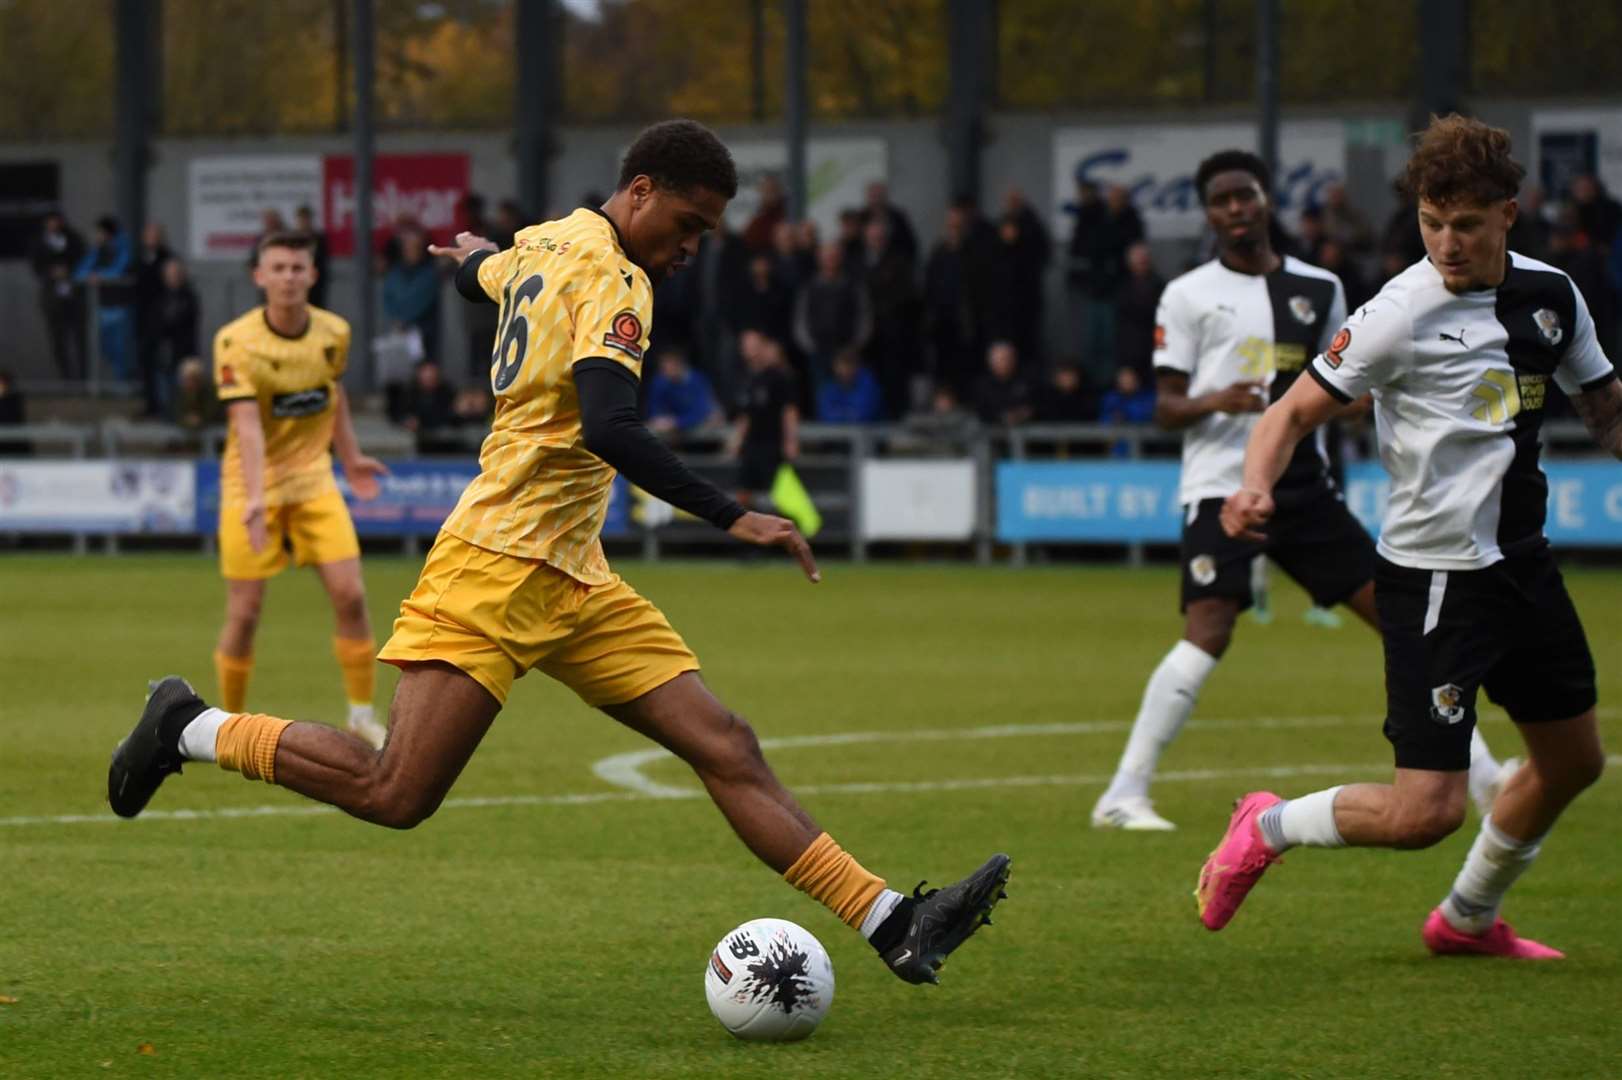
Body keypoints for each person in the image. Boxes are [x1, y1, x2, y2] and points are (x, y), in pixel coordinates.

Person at [109, 120, 1009, 986]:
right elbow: (610, 424)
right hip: (497, 562)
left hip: (576, 576)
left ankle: (892, 921)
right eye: (689, 225)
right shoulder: (618, 281)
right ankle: (187, 726)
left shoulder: (544, 241)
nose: (694, 247)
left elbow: (485, 279)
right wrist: (733, 514)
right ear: (641, 191)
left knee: (724, 741)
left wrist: (466, 259)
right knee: (396, 791)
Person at [1202, 115, 1621, 960]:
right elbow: (1288, 413)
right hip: (1436, 580)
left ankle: (1466, 920)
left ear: (1509, 211)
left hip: (1523, 568)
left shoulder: (1552, 296)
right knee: (1426, 812)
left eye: (1465, 223)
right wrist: (1253, 486)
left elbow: (1604, 405)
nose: (1447, 243)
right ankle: (1268, 823)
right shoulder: (1397, 311)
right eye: (1432, 223)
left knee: (1574, 762)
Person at [1090, 148, 1505, 832]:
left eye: (1245, 195)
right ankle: (1123, 793)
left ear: (1265, 200)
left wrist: (1359, 405)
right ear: (1208, 213)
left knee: (1402, 620)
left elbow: (1345, 387)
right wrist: (1216, 398)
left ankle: (1487, 779)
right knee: (1210, 630)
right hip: (1223, 486)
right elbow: (1165, 407)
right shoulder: (1188, 293)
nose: (1235, 209)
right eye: (1221, 199)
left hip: (1304, 487)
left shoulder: (1320, 287)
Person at [198, 230, 391, 749]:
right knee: (245, 613)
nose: (288, 277)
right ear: (259, 277)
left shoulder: (333, 332)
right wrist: (258, 497)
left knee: (351, 596)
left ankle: (360, 715)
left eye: (296, 268)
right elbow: (248, 426)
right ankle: (227, 727)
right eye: (277, 268)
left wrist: (350, 459)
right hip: (250, 486)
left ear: (313, 274)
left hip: (313, 482)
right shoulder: (236, 342)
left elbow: (333, 395)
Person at [728, 332, 800, 501]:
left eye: (753, 345)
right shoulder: (745, 377)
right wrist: (736, 440)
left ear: (763, 346)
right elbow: (745, 414)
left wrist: (791, 440)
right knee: (743, 492)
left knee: (782, 495)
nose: (749, 350)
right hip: (751, 445)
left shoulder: (778, 376)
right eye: (746, 346)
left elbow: (789, 410)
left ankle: (792, 526)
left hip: (772, 444)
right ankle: (748, 526)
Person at [28, 211, 87, 381]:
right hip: (52, 298)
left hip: (74, 296)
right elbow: (35, 266)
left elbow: (82, 258)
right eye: (50, 222)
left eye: (57, 221)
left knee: (80, 339)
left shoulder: (73, 239)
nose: (54, 224)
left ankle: (84, 379)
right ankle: (66, 378)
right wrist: (51, 272)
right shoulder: (39, 242)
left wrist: (69, 270)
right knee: (58, 341)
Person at [645, 346, 722, 435]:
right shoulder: (660, 381)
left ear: (679, 365)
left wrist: (676, 422)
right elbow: (654, 408)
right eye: (663, 367)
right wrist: (660, 420)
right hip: (670, 427)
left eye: (668, 367)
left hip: (697, 424)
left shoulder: (697, 380)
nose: (664, 371)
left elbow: (702, 411)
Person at [971, 340, 1034, 426]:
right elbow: (980, 412)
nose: (1005, 363)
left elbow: (1035, 404)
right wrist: (1002, 417)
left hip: (1027, 431)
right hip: (993, 434)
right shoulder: (982, 386)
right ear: (991, 362)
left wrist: (1022, 413)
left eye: (1008, 358)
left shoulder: (1027, 380)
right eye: (1001, 359)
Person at [817, 348, 883, 423]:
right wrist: (848, 413)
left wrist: (840, 413)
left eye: (849, 364)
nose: (845, 370)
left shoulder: (868, 384)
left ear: (857, 366)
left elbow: (862, 415)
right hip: (838, 432)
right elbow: (826, 415)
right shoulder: (829, 387)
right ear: (834, 366)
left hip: (872, 432)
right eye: (842, 365)